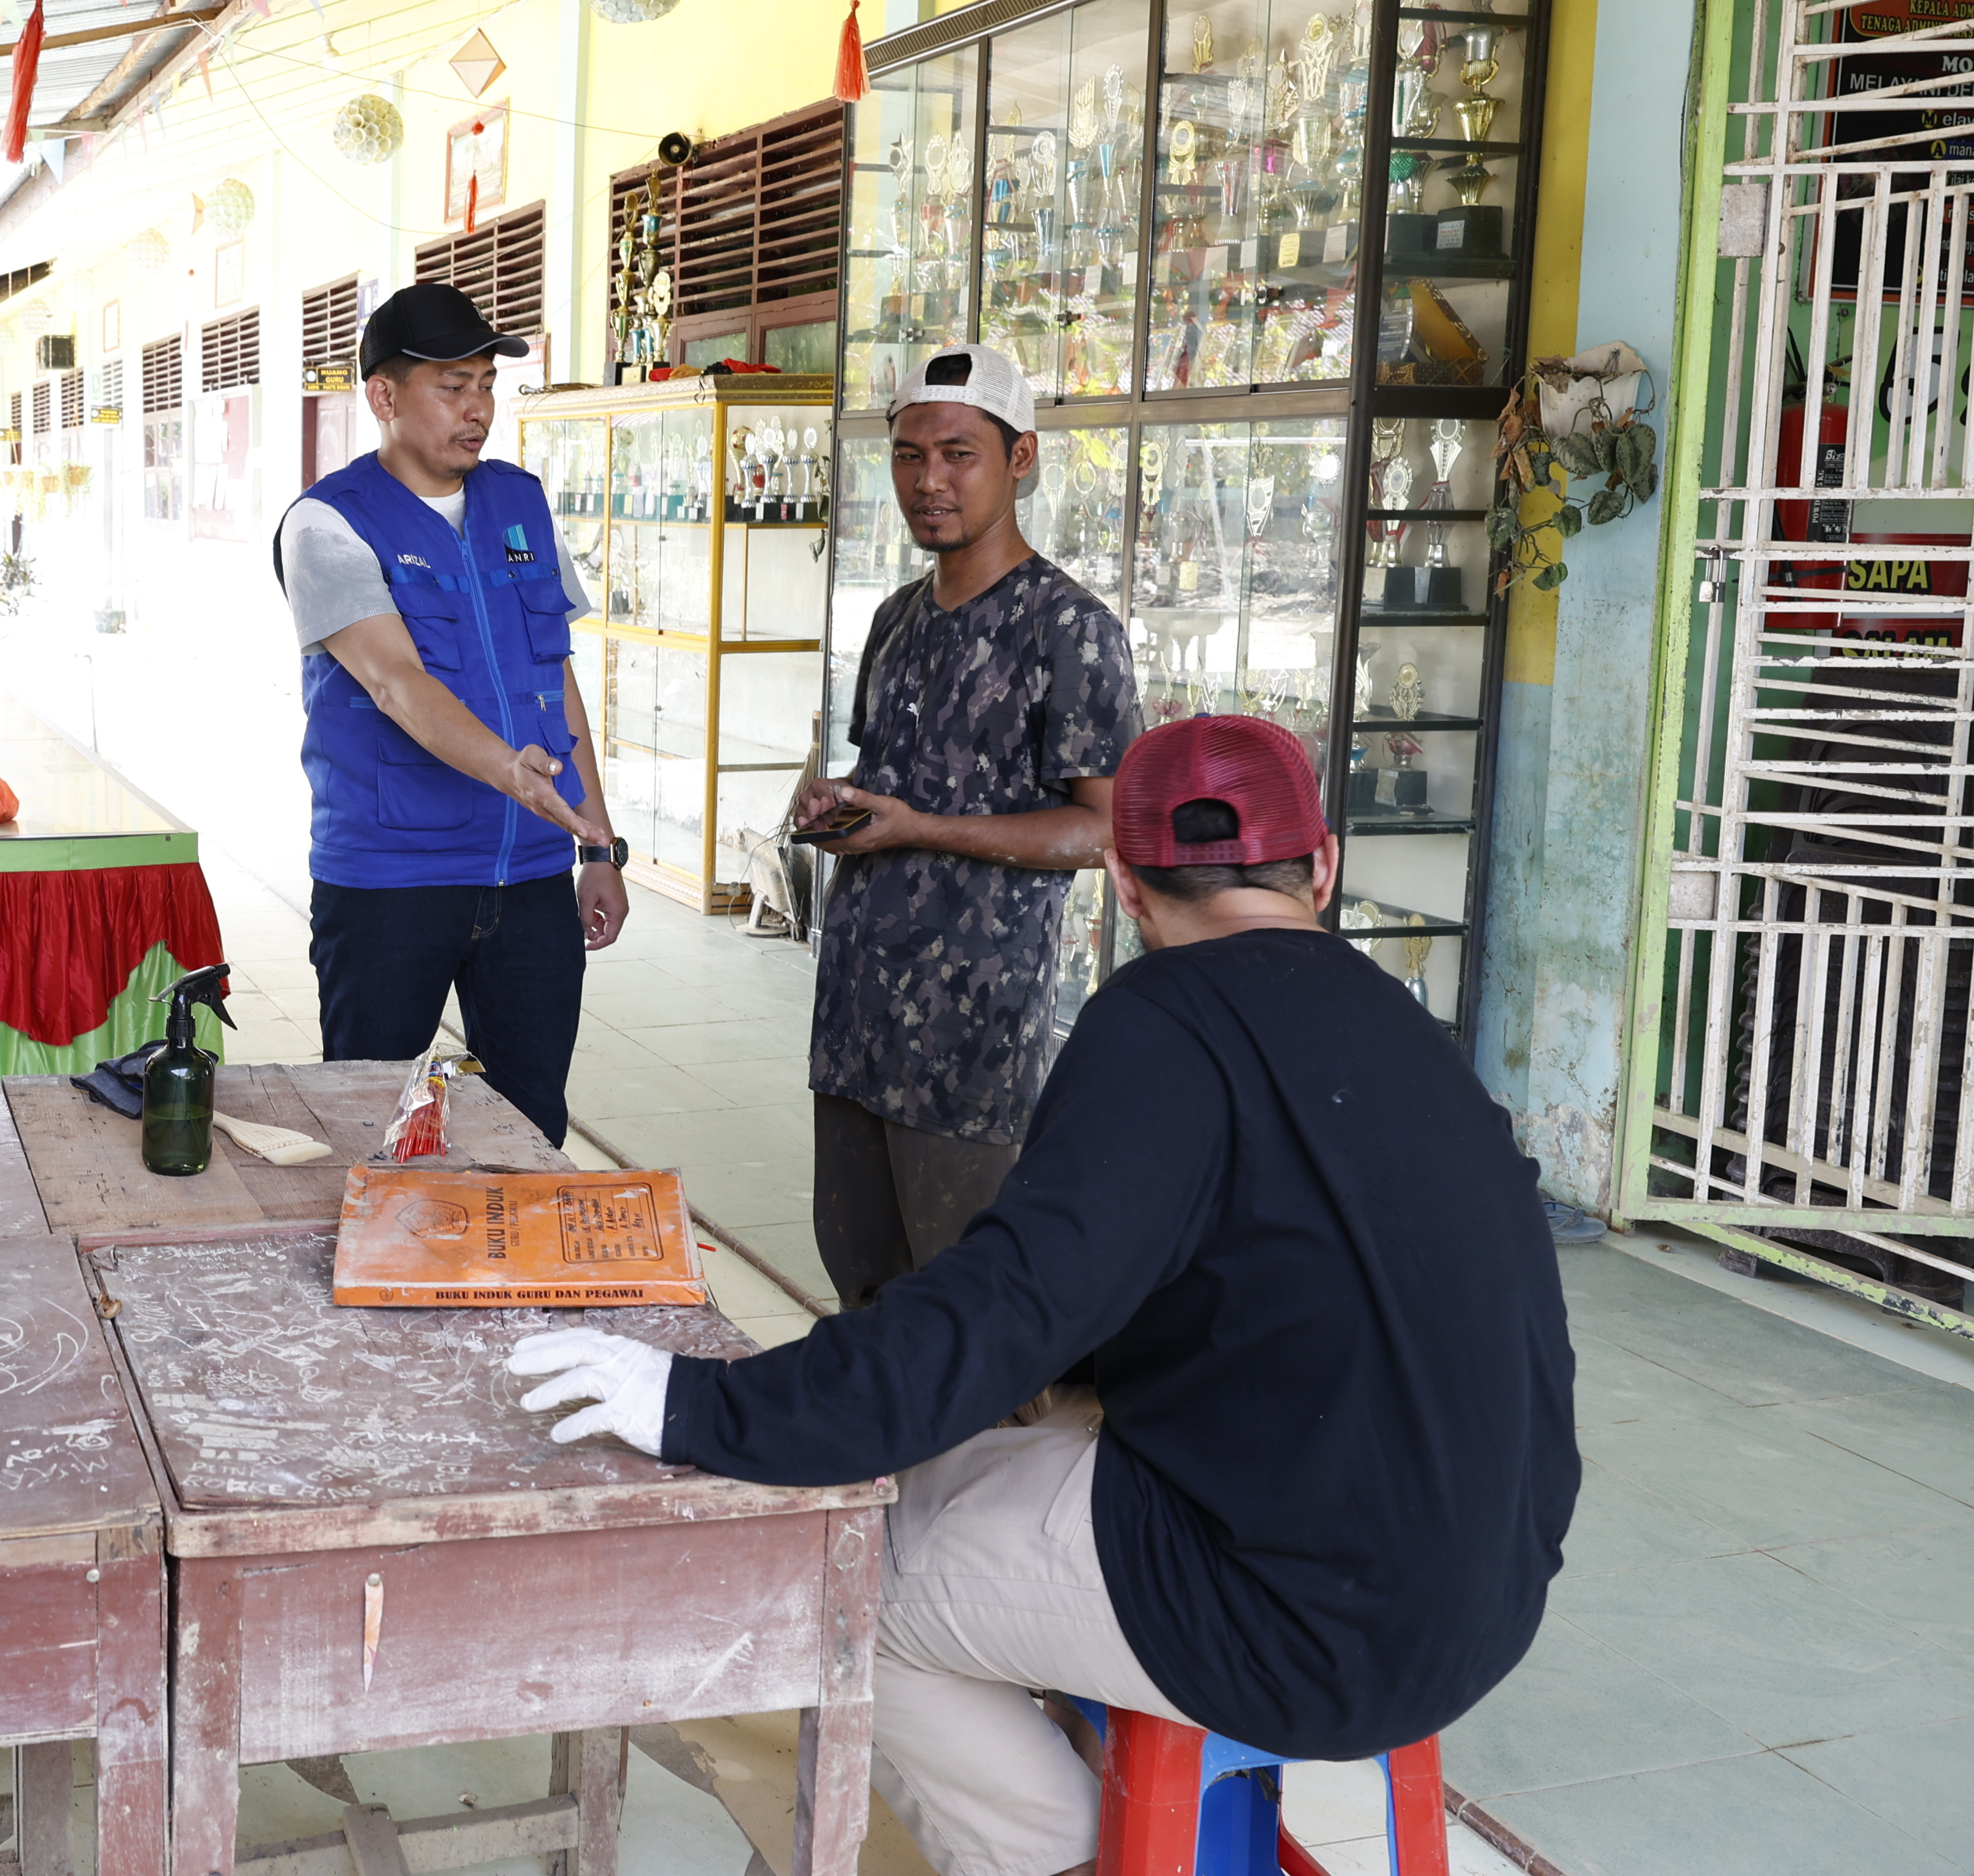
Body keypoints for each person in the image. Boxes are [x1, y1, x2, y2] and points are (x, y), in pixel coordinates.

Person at [509, 712, 1578, 1876]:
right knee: (966, 1470)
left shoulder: (1162, 1018)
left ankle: (1069, 1854)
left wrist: (696, 1406)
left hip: (1301, 1624)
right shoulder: (1412, 1033)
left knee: (860, 1574)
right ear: (1322, 866)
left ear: (1122, 883)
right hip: (1488, 1594)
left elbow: (1005, 1308)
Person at [790, 343, 1137, 1303]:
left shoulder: (1068, 628)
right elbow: (890, 781)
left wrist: (921, 829)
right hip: (858, 1023)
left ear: (1020, 458)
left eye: (958, 454)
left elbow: (1103, 830)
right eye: (908, 456)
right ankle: (888, 1462)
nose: (928, 482)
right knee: (860, 1279)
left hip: (970, 1042)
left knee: (968, 1308)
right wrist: (836, 804)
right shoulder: (897, 618)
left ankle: (978, 1464)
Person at [274, 282, 628, 1143]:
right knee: (374, 1124)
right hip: (393, 883)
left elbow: (557, 675)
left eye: (486, 386)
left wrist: (598, 841)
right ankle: (375, 1280)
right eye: (452, 387)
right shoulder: (327, 524)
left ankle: (516, 1282)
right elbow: (396, 681)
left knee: (532, 1121)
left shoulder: (520, 502)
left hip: (530, 878)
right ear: (384, 398)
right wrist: (511, 770)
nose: (478, 410)